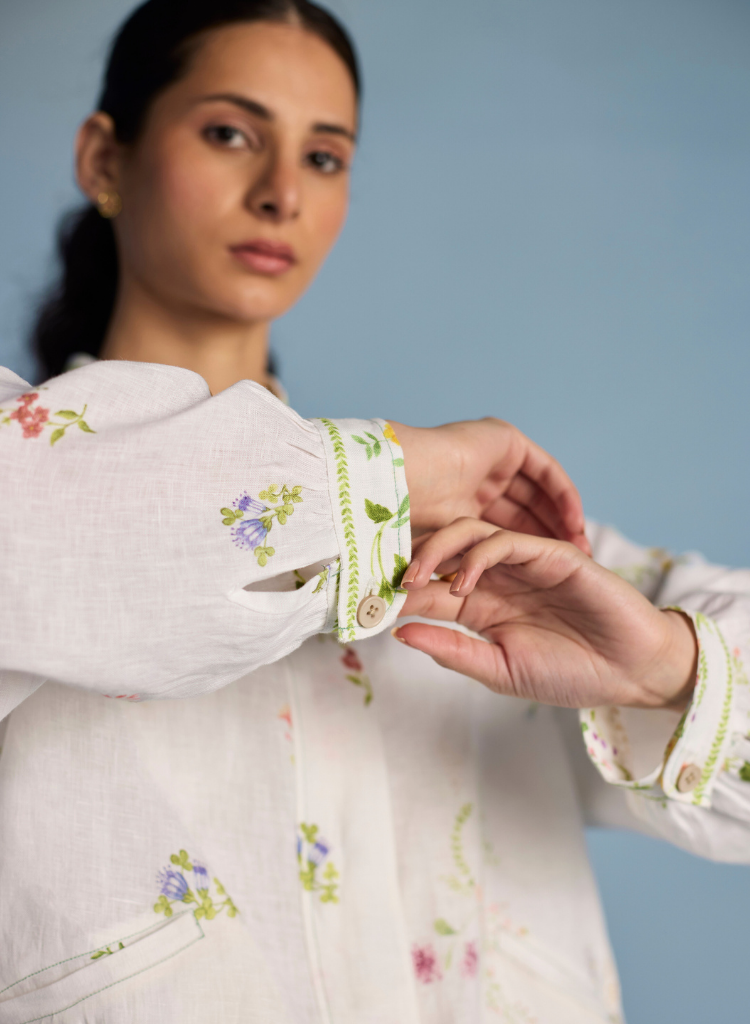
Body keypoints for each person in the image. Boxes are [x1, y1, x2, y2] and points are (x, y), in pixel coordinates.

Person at [0, 2, 748, 1022]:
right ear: (105, 157)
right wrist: (391, 472)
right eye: (230, 133)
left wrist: (666, 666)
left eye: (324, 157)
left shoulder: (487, 556)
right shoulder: (35, 503)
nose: (280, 192)